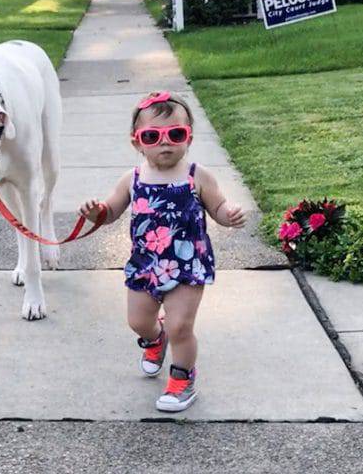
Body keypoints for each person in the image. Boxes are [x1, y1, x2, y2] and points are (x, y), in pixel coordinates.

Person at [78, 91, 246, 412]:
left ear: (189, 138)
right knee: (138, 321)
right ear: (136, 142)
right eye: (152, 136)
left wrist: (230, 214)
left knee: (180, 325)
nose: (165, 142)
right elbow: (110, 212)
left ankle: (182, 379)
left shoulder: (198, 176)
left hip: (187, 265)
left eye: (175, 134)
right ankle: (155, 340)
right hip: (145, 265)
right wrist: (95, 212)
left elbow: (219, 206)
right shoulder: (133, 178)